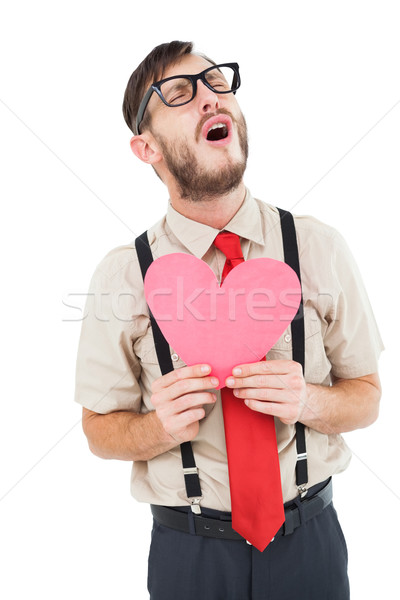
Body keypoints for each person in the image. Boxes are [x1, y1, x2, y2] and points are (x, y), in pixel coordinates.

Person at [74, 40, 383, 599]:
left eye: (217, 82)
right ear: (146, 148)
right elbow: (98, 428)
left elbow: (368, 396)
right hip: (189, 555)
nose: (211, 99)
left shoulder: (317, 246)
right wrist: (156, 427)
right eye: (180, 93)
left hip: (310, 544)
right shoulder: (123, 275)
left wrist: (309, 400)